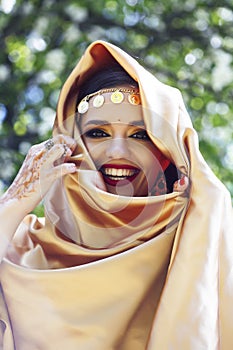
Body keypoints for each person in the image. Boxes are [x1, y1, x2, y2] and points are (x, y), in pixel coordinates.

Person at [0, 40, 232, 350]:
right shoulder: (18, 244)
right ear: (71, 144)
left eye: (140, 135)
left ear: (168, 152)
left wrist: (203, 217)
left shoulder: (200, 246)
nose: (118, 152)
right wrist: (16, 200)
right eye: (98, 133)